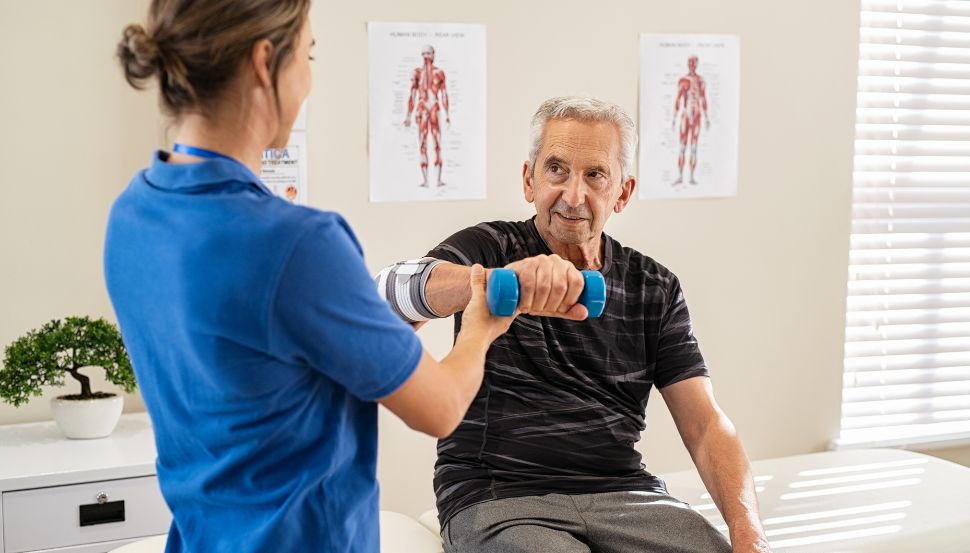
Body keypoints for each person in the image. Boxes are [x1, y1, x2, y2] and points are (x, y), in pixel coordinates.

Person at [104, 2, 512, 551]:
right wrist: (482, 323)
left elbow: (259, 365)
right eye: (309, 55)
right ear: (263, 61)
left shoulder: (132, 215)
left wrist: (378, 327)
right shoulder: (297, 243)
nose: (309, 80)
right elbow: (439, 408)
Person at [377, 97, 770, 553]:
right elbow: (385, 295)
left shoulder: (655, 287)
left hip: (624, 493)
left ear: (622, 193)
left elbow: (704, 424)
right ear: (529, 179)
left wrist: (749, 534)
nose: (573, 195)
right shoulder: (489, 248)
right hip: (499, 494)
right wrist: (493, 282)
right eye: (557, 170)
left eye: (595, 175)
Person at [403, 44, 450, 187]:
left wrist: (447, 114)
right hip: (422, 109)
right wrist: (408, 116)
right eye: (423, 54)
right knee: (422, 143)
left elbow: (444, 94)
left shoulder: (439, 73)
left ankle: (438, 179)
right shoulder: (417, 73)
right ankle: (425, 180)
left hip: (434, 108)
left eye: (428, 53)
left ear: (434, 55)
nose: (426, 57)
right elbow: (412, 95)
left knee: (437, 143)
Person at [673, 55, 710, 186]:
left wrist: (706, 117)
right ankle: (680, 176)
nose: (692, 65)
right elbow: (678, 99)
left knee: (694, 148)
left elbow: (703, 99)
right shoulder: (683, 80)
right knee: (682, 147)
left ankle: (692, 177)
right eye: (690, 63)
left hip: (697, 116)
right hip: (685, 116)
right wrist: (674, 117)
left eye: (694, 63)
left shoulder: (701, 81)